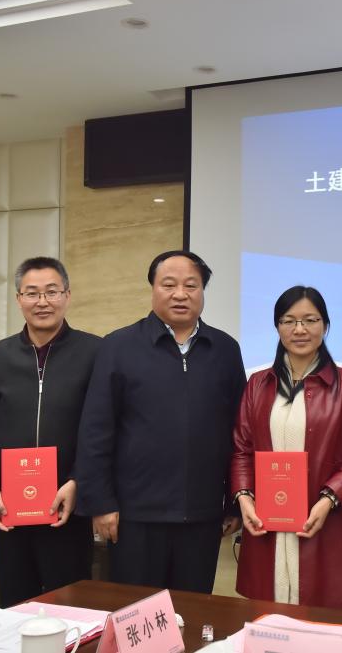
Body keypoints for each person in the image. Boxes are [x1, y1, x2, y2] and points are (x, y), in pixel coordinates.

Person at [74, 250, 246, 593]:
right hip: (135, 517)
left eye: (191, 285)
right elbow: (96, 430)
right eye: (169, 285)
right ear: (153, 288)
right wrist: (101, 503)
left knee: (192, 609)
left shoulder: (225, 349)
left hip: (202, 516)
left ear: (203, 291)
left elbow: (239, 432)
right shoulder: (119, 346)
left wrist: (234, 503)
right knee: (138, 612)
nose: (180, 294)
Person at [0, 257, 102, 607]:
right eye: (32, 293)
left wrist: (78, 482)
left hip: (68, 505)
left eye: (51, 292)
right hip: (10, 507)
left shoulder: (95, 352)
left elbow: (101, 430)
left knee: (70, 608)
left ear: (67, 295)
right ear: (18, 299)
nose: (42, 302)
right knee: (15, 606)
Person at [230, 286, 342, 609]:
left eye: (310, 320)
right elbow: (241, 449)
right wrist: (244, 497)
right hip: (266, 521)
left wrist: (328, 499)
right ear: (277, 327)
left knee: (321, 620)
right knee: (267, 617)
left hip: (325, 520)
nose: (300, 329)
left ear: (325, 325)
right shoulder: (258, 384)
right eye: (289, 321)